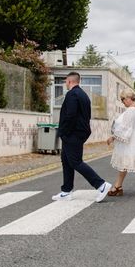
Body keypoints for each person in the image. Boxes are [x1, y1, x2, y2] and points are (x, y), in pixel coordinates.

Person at [53, 72, 111, 202]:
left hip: (72, 134)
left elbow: (71, 115)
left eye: (66, 81)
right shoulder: (84, 95)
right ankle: (66, 191)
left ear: (70, 81)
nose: (65, 84)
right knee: (66, 161)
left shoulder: (72, 94)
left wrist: (64, 132)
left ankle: (101, 185)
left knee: (75, 162)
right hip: (78, 133)